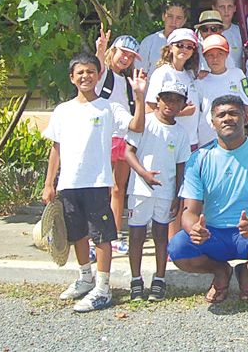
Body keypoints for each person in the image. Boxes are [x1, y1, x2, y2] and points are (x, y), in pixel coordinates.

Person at [41, 53, 145, 313]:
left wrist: (140, 98)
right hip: (68, 183)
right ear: (72, 78)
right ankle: (85, 278)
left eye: (91, 71)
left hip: (97, 183)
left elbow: (137, 126)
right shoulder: (63, 110)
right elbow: (56, 148)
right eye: (80, 72)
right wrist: (49, 183)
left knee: (101, 236)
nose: (85, 76)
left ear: (99, 75)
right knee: (77, 233)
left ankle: (103, 287)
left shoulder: (109, 108)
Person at [167, 95, 248, 303]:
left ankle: (246, 272)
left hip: (247, 234)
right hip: (212, 234)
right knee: (178, 248)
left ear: (245, 119)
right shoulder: (199, 158)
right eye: (221, 115)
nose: (227, 118)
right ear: (212, 123)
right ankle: (221, 272)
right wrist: (195, 229)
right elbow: (189, 211)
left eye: (233, 113)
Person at [123, 80, 191, 302]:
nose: (171, 104)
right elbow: (128, 152)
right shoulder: (145, 122)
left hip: (165, 192)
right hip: (140, 190)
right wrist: (143, 174)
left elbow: (181, 166)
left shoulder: (181, 133)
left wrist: (177, 195)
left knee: (161, 235)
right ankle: (136, 280)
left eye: (177, 100)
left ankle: (159, 279)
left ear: (183, 105)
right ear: (158, 101)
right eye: (167, 99)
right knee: (137, 234)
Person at [94, 31, 142, 252]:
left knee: (118, 188)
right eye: (123, 53)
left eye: (131, 56)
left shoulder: (128, 80)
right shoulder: (103, 73)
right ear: (113, 51)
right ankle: (94, 236)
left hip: (124, 137)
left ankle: (113, 234)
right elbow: (98, 63)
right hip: (103, 136)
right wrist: (100, 49)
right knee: (99, 189)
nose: (126, 59)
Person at [146, 28, 200, 152]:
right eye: (180, 45)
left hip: (190, 141)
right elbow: (149, 110)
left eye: (189, 47)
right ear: (170, 47)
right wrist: (181, 112)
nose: (184, 49)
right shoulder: (162, 73)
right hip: (166, 139)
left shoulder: (190, 75)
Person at [194, 34, 248, 147]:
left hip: (235, 138)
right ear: (204, 57)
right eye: (210, 55)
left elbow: (247, 106)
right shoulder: (199, 82)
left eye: (220, 54)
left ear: (227, 54)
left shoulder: (237, 74)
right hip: (207, 139)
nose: (215, 59)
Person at [137, 1, 188, 75]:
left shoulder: (189, 46)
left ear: (184, 21)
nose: (174, 21)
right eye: (170, 16)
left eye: (179, 18)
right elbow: (140, 72)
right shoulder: (149, 42)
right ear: (163, 16)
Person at [211, 0, 245, 64]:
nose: (226, 11)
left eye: (229, 6)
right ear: (214, 8)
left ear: (235, 8)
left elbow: (244, 60)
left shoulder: (241, 32)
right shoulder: (205, 31)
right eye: (222, 7)